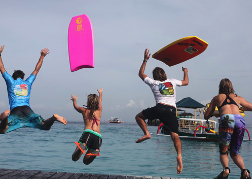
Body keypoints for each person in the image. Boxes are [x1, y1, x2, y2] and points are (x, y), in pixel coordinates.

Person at [135, 48, 189, 174]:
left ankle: (147, 133)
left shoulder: (153, 83)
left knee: (139, 117)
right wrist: (185, 71)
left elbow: (141, 74)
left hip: (159, 108)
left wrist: (145, 60)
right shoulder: (173, 81)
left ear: (155, 76)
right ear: (164, 74)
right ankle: (179, 156)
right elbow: (186, 82)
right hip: (171, 110)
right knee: (175, 135)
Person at [0, 45, 67, 134]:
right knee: (45, 126)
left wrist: (0, 54)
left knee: (2, 130)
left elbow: (2, 68)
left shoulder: (11, 82)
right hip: (27, 109)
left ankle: (5, 118)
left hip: (15, 110)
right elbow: (36, 70)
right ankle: (54, 118)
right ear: (23, 77)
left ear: (13, 77)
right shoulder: (27, 83)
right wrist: (42, 56)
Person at [204, 78, 252, 179]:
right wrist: (242, 108)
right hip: (239, 120)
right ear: (231, 87)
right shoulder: (238, 98)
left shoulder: (217, 98)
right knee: (234, 152)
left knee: (224, 151)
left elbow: (207, 115)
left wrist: (208, 112)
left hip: (227, 119)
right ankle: (244, 171)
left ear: (220, 87)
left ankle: (226, 169)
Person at [71, 88, 103, 165]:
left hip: (88, 133)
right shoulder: (99, 110)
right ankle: (94, 153)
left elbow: (76, 107)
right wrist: (100, 93)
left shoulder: (84, 110)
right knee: (86, 161)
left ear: (88, 101)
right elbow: (100, 101)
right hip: (98, 137)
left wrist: (74, 100)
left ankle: (81, 147)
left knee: (75, 158)